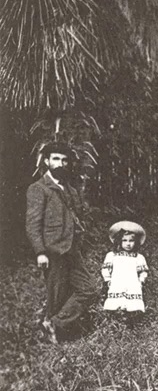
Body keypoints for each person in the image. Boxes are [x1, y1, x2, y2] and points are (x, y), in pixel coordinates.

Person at [25, 145, 97, 343]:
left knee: (89, 289)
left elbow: (78, 217)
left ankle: (53, 323)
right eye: (56, 159)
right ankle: (55, 341)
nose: (61, 164)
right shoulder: (38, 189)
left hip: (72, 250)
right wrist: (40, 251)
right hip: (53, 250)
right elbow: (32, 224)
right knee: (56, 296)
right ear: (46, 161)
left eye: (64, 160)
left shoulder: (71, 190)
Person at [101, 221, 149, 320]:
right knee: (115, 303)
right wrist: (108, 279)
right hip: (117, 282)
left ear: (136, 242)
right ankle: (115, 318)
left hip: (132, 283)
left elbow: (143, 272)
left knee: (132, 305)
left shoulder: (138, 257)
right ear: (119, 241)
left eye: (131, 241)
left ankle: (131, 319)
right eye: (125, 240)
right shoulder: (112, 255)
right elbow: (106, 269)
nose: (128, 244)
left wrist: (141, 280)